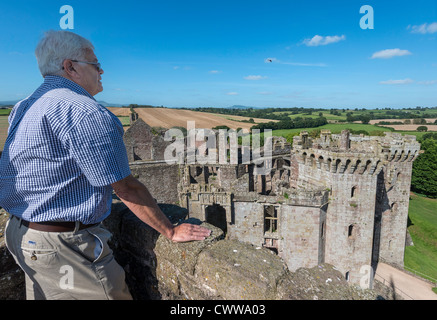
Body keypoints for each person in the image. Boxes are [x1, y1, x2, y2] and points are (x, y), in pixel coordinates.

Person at [0, 30, 211, 300]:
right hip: (63, 245)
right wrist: (169, 230)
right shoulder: (85, 111)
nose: (102, 70)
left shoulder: (23, 107)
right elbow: (125, 187)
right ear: (70, 67)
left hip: (20, 234)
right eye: (95, 64)